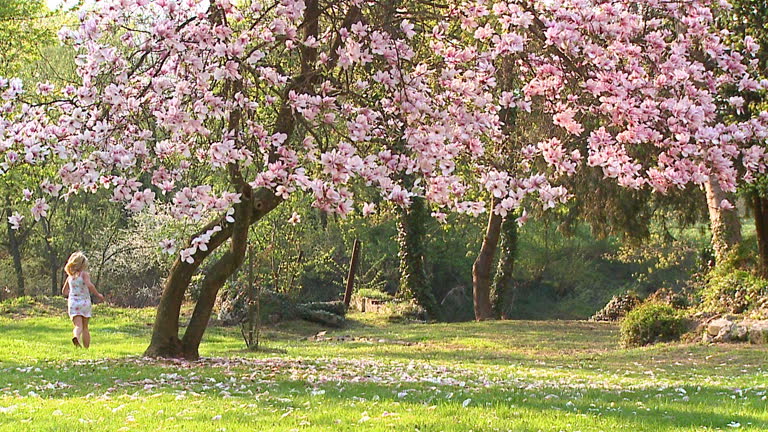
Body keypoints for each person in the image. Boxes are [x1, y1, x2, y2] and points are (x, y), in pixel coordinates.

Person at [61, 252, 105, 348]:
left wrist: (73, 294)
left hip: (73, 303)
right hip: (84, 302)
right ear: (82, 264)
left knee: (78, 326)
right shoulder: (84, 274)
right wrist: (98, 294)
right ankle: (86, 348)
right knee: (85, 327)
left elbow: (64, 291)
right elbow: (89, 285)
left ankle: (76, 336)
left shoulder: (70, 277)